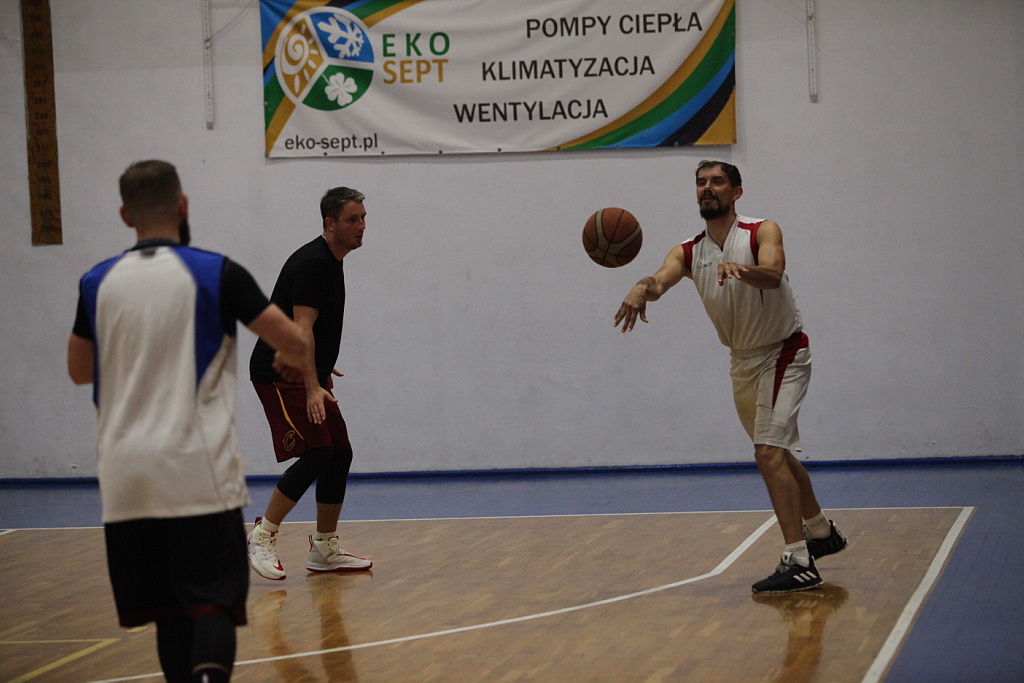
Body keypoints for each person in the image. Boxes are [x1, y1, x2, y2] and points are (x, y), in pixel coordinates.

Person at [68, 160, 312, 682]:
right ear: (182, 205)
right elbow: (292, 339)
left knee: (169, 611)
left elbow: (78, 369)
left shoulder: (95, 281)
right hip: (194, 470)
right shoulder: (216, 272)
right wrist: (291, 355)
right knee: (212, 603)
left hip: (124, 478)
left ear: (125, 215)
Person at [614, 160, 847, 594]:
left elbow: (773, 276)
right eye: (701, 182)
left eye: (717, 182)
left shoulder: (761, 231)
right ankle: (820, 531)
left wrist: (741, 269)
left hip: (783, 351)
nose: (707, 188)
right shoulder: (688, 252)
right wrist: (640, 287)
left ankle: (799, 560)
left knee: (767, 454)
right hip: (742, 361)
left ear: (736, 192)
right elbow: (660, 282)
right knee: (776, 453)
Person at [246, 186, 372, 580]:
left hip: (305, 370)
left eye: (363, 218)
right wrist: (312, 384)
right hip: (280, 373)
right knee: (318, 452)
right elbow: (302, 329)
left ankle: (323, 548)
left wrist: (322, 368)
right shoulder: (314, 264)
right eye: (352, 219)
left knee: (340, 452)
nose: (361, 226)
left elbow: (312, 327)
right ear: (330, 223)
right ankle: (262, 536)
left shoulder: (332, 260)